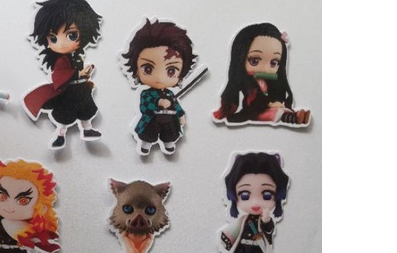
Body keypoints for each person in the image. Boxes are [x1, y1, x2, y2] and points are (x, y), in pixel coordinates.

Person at [23, 0, 102, 149]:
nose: (61, 44)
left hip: (81, 90)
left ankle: (87, 130)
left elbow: (78, 71)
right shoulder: (60, 60)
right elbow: (60, 75)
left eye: (72, 35)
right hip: (68, 92)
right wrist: (78, 74)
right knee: (66, 115)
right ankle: (60, 135)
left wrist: (86, 74)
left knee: (86, 110)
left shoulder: (77, 55)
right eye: (53, 38)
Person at [217, 152, 289, 253]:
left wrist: (266, 220)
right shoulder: (242, 219)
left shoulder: (265, 218)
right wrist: (227, 240)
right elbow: (233, 230)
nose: (255, 203)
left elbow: (268, 230)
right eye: (244, 195)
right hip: (242, 247)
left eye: (267, 195)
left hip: (260, 248)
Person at [121, 19, 196, 155]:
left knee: (169, 133)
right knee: (149, 133)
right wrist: (158, 102)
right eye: (148, 68)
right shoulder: (146, 94)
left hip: (169, 119)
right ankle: (145, 145)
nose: (160, 77)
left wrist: (180, 115)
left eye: (171, 71)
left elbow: (176, 105)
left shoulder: (170, 94)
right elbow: (144, 107)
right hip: (152, 119)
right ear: (136, 70)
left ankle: (169, 144)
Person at [213, 22, 310, 126]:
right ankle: (292, 117)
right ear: (240, 57)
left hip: (271, 109)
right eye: (254, 61)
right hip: (252, 113)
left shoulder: (274, 83)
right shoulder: (244, 82)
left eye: (274, 63)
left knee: (281, 112)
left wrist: (274, 103)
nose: (266, 69)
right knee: (276, 114)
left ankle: (296, 116)